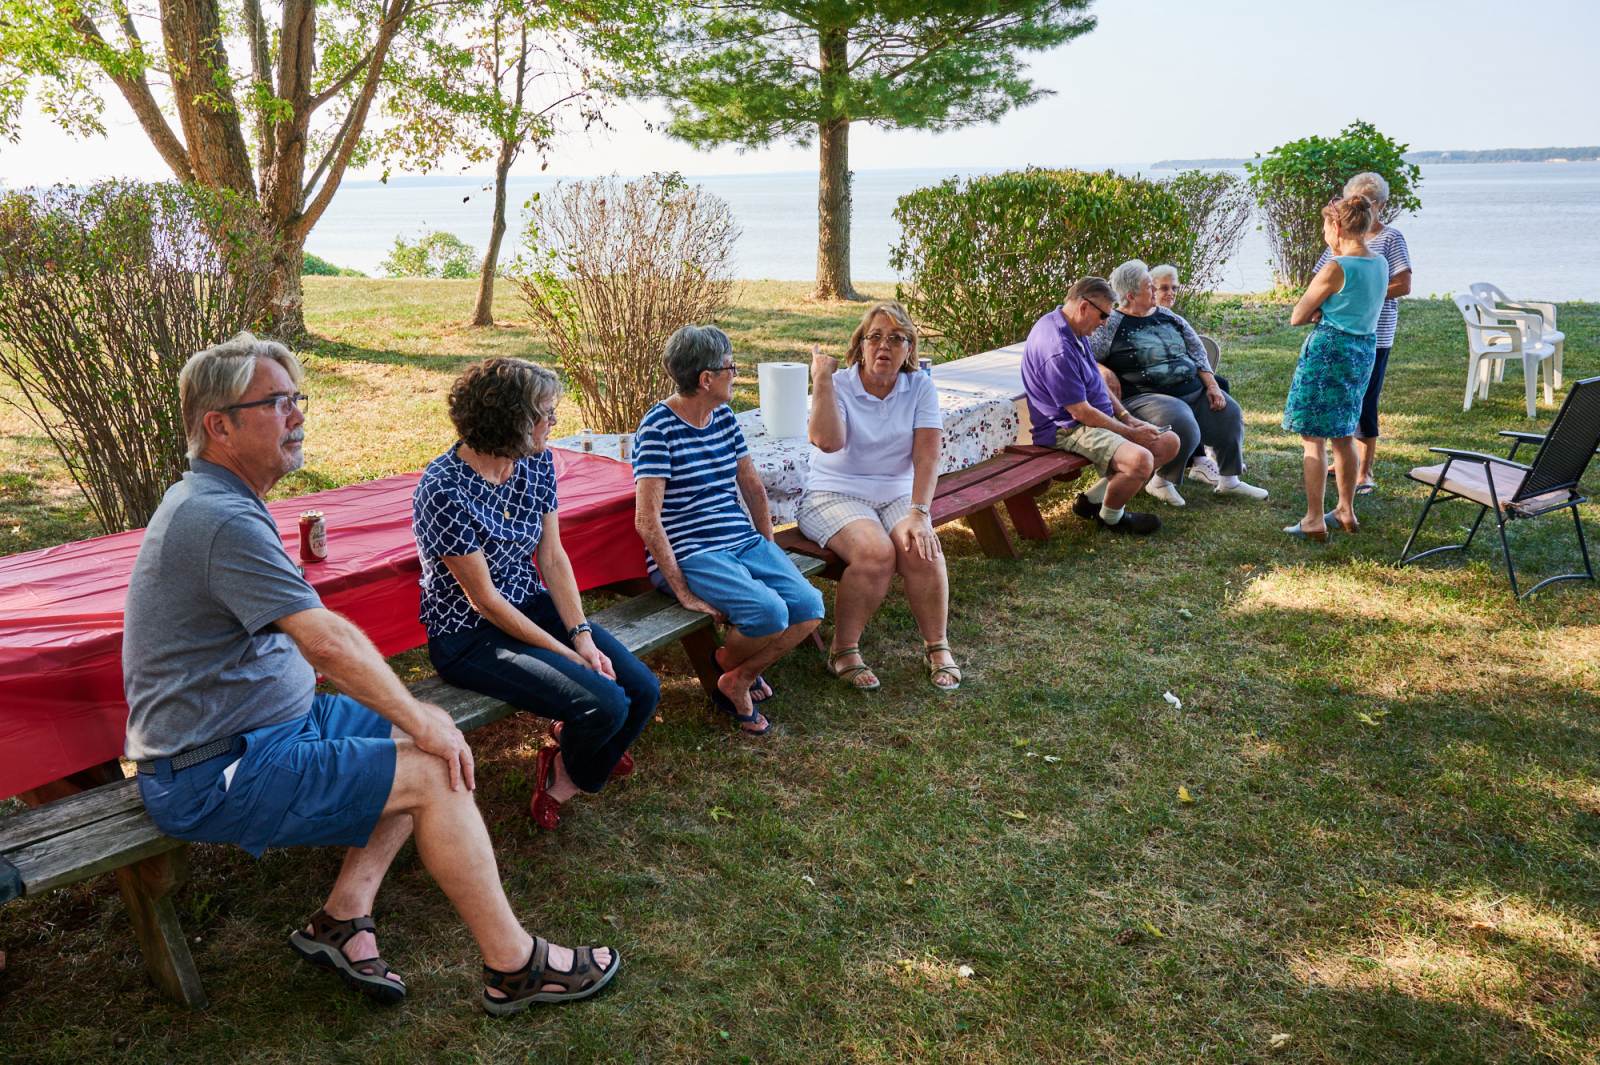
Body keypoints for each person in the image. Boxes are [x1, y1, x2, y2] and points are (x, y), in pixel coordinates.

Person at [122, 333, 618, 1014]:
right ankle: (515, 965)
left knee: (432, 736)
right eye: (277, 403)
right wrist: (417, 720)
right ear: (220, 426)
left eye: (297, 398)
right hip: (213, 765)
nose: (298, 415)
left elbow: (317, 635)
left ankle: (343, 915)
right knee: (432, 765)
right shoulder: (215, 516)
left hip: (273, 725)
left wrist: (417, 719)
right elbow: (326, 643)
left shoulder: (223, 501)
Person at [414, 359, 659, 832]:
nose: (554, 421)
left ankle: (575, 750)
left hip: (527, 601)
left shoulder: (536, 459)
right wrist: (566, 654)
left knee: (642, 690)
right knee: (605, 705)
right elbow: (485, 601)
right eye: (545, 413)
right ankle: (568, 776)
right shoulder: (442, 489)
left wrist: (581, 635)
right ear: (510, 420)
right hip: (469, 635)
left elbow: (552, 555)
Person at [633, 324, 824, 735]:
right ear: (707, 379)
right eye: (731, 368)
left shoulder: (722, 417)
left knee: (810, 607)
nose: (735, 375)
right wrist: (683, 591)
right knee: (769, 612)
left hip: (741, 540)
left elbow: (752, 487)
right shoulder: (657, 428)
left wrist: (768, 547)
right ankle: (736, 675)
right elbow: (647, 519)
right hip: (693, 551)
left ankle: (735, 674)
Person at [799, 301, 960, 693]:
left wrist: (920, 513)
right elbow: (826, 441)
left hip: (896, 493)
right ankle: (843, 649)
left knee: (923, 547)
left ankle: (937, 646)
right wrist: (822, 379)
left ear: (909, 348)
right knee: (876, 553)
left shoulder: (919, 386)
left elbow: (927, 455)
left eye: (896, 338)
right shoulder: (840, 384)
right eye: (875, 337)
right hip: (834, 491)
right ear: (861, 345)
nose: (884, 345)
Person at [1089, 259, 1267, 507]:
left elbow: (1197, 351)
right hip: (1145, 397)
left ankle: (1229, 480)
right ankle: (1161, 481)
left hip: (1191, 388)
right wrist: (1102, 368)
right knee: (1182, 423)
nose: (1155, 290)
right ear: (1130, 295)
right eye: (1149, 286)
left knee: (1229, 412)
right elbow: (1082, 355)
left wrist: (1212, 385)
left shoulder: (1168, 317)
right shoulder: (1111, 324)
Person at [1021, 277, 1181, 535]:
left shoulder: (1073, 326)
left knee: (1168, 442)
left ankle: (1090, 502)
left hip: (1090, 421)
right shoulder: (1057, 347)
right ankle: (1112, 518)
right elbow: (1081, 413)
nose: (1105, 322)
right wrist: (1131, 433)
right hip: (1067, 429)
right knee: (1141, 460)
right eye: (1104, 315)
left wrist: (1127, 417)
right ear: (1084, 306)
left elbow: (1096, 379)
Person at [1283, 195, 1389, 540]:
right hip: (1362, 352)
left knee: (1313, 439)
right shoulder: (1380, 263)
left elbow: (1298, 315)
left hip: (1330, 351)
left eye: (1326, 225)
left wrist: (1320, 309)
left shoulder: (1336, 267)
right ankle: (1346, 509)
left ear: (1338, 227)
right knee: (1343, 434)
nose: (1324, 232)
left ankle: (1314, 518)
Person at [1312, 172, 1413, 494]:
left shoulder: (1390, 239)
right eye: (1353, 201)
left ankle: (1365, 471)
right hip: (1337, 331)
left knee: (1366, 399)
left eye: (1368, 202)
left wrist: (1363, 293)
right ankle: (1344, 459)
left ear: (1380, 205)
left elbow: (1404, 284)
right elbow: (1320, 279)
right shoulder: (1339, 237)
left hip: (1374, 333)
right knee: (1338, 397)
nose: (1360, 207)